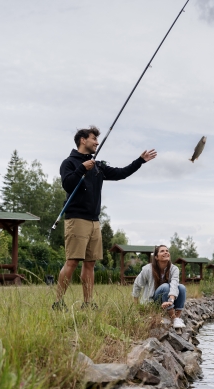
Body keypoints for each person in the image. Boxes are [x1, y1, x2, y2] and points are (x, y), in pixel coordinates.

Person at [53, 126, 157, 310]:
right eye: (94, 139)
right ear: (83, 140)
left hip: (94, 221)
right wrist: (81, 169)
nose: (97, 143)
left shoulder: (97, 166)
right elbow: (68, 185)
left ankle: (88, 303)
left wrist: (140, 161)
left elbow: (120, 173)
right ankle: (58, 302)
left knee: (90, 264)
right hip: (76, 218)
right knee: (72, 261)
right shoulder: (69, 163)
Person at [132, 245, 186, 328]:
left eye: (167, 251)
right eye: (162, 251)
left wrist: (171, 301)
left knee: (181, 287)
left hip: (168, 300)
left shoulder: (174, 269)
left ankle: (176, 319)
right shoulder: (147, 269)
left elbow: (174, 284)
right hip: (153, 301)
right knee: (165, 286)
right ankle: (173, 317)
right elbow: (137, 284)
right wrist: (136, 307)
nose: (166, 252)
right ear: (156, 257)